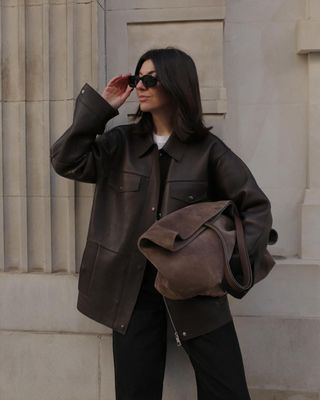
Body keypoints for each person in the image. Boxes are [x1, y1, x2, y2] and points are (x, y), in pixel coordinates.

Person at [51, 47, 274, 400]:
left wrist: (225, 269)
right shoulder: (120, 142)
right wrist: (102, 109)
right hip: (131, 295)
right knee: (135, 392)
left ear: (176, 84)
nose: (141, 85)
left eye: (150, 79)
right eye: (138, 78)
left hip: (195, 292)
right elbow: (66, 159)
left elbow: (256, 207)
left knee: (227, 390)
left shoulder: (208, 150)